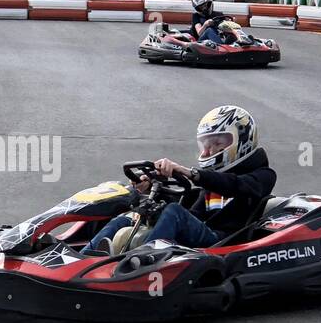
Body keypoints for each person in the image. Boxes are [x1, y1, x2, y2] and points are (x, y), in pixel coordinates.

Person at [82, 105, 276, 255]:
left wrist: (190, 173)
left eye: (217, 143)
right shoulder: (209, 185)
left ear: (242, 141)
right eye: (206, 144)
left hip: (224, 242)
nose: (209, 151)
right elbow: (192, 214)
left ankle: (136, 262)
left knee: (174, 212)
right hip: (201, 237)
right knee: (131, 215)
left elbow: (235, 185)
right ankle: (83, 259)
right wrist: (149, 193)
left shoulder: (262, 176)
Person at [163, 0, 242, 48]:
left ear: (209, 3)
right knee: (209, 30)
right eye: (201, 7)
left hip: (216, 39)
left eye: (205, 5)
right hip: (200, 42)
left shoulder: (219, 14)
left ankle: (242, 42)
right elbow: (199, 33)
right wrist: (205, 24)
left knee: (231, 31)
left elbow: (225, 28)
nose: (204, 8)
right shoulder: (196, 16)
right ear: (197, 8)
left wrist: (231, 24)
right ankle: (223, 47)